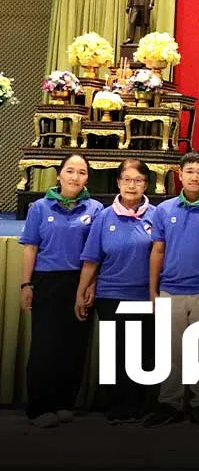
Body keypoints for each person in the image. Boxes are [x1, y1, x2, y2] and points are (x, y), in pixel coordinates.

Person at [144, 151, 199, 429]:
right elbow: (157, 251)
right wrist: (153, 291)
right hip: (170, 290)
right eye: (189, 171)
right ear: (179, 175)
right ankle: (170, 403)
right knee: (170, 351)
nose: (195, 177)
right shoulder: (164, 210)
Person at [19, 154, 104, 428]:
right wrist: (26, 284)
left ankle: (64, 402)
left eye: (81, 172)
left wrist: (90, 285)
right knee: (45, 345)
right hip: (47, 281)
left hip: (80, 282)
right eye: (70, 171)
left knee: (74, 345)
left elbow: (96, 253)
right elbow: (31, 247)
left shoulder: (96, 209)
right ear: (59, 174)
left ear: (87, 177)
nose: (75, 177)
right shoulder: (39, 207)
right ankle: (39, 406)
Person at [76, 159, 156, 424]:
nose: (132, 185)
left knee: (142, 352)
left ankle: (139, 405)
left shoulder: (157, 216)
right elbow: (91, 258)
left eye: (138, 180)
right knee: (116, 353)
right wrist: (81, 291)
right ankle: (116, 406)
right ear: (118, 182)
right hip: (110, 294)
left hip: (144, 294)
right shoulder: (103, 216)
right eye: (127, 180)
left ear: (146, 184)